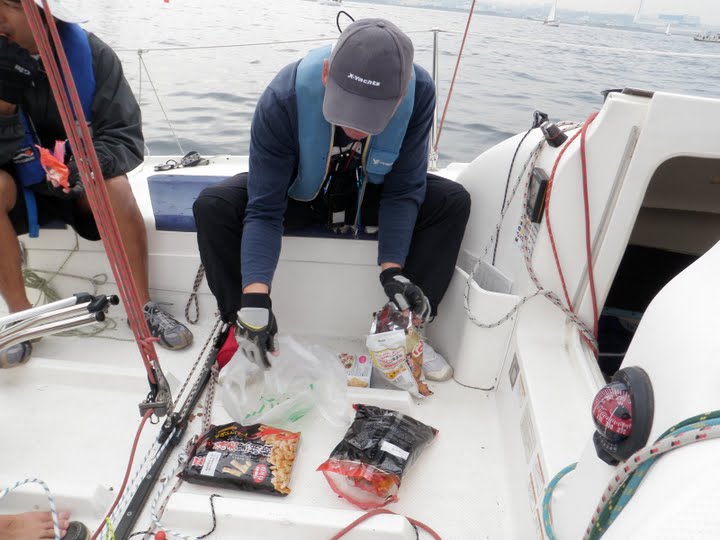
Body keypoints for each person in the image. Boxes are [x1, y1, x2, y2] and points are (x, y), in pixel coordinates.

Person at [193, 18, 470, 380]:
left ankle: (405, 326)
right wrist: (256, 298)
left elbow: (404, 189)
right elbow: (265, 209)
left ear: (401, 95)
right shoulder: (283, 98)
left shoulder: (419, 95)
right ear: (326, 74)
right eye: (346, 108)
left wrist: (393, 271)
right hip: (299, 196)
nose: (356, 126)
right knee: (213, 206)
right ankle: (244, 325)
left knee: (451, 201)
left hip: (366, 195)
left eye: (371, 116)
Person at [0, 0, 193, 369]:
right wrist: (5, 108)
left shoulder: (94, 55)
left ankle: (142, 307)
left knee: (116, 186)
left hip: (82, 184)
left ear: (43, 13)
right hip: (22, 188)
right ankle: (20, 317)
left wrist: (88, 165)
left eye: (9, 5)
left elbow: (125, 137)